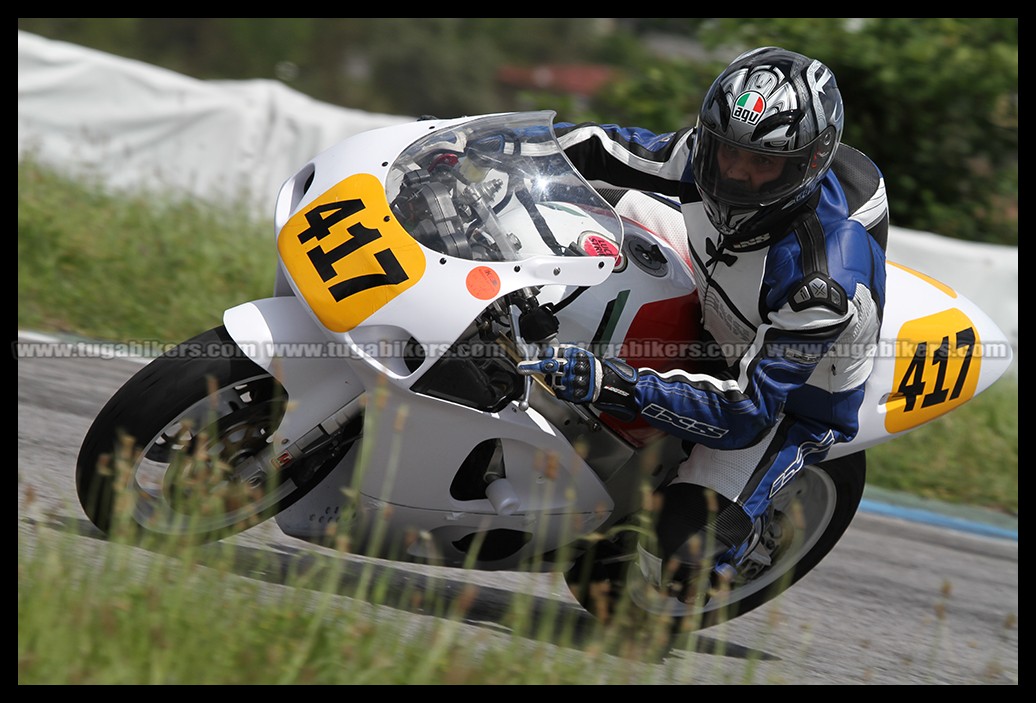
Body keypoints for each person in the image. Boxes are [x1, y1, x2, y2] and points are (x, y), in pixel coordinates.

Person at [517, 46, 888, 600]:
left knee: (681, 558)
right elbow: (599, 147)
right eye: (726, 151)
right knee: (579, 208)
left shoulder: (822, 281)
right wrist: (483, 141)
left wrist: (610, 382)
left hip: (790, 395)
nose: (734, 174)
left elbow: (746, 412)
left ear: (807, 166)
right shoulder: (703, 156)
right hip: (719, 283)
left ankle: (743, 539)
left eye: (763, 164)